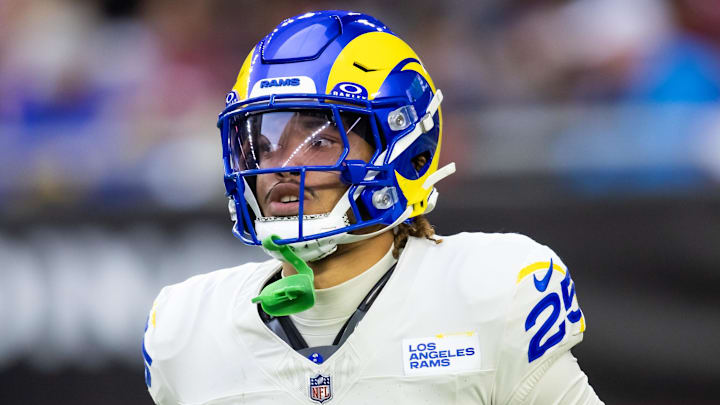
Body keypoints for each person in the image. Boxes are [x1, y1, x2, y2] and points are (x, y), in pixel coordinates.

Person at [142, 10, 603, 404]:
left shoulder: (492, 293)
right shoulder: (185, 325)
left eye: (321, 140)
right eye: (263, 142)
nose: (282, 166)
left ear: (406, 149)